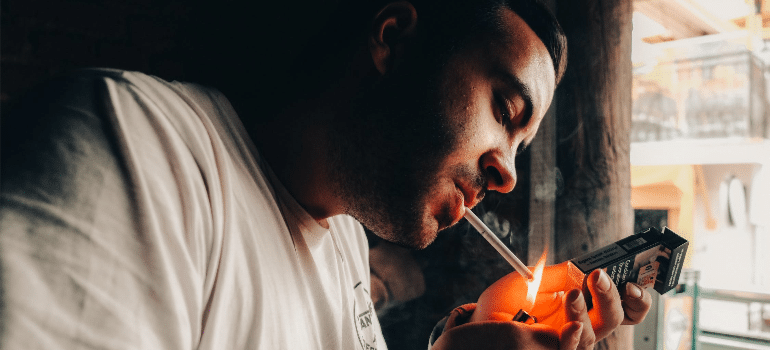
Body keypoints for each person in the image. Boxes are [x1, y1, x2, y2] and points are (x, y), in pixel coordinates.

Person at [0, 0, 652, 349]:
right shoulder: (135, 147)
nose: (507, 173)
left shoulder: (343, 234)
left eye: (522, 144)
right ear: (392, 40)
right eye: (505, 112)